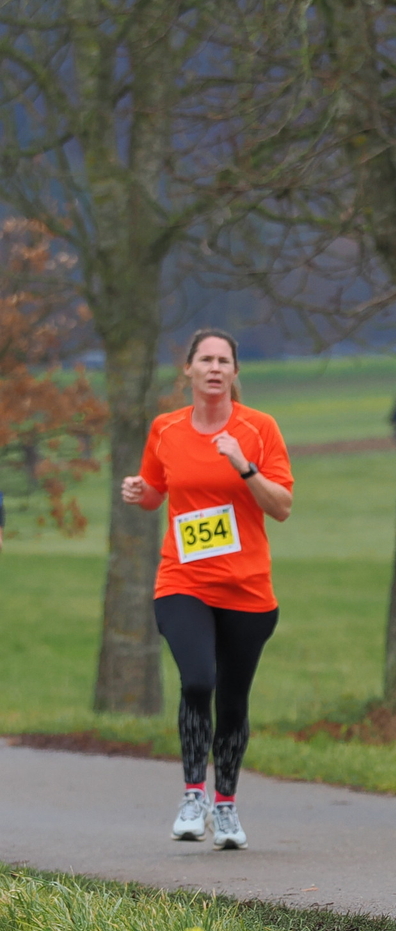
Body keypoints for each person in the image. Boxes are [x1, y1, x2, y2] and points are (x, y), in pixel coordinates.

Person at [119, 329, 294, 849]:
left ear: (235, 372)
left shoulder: (259, 429)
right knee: (198, 681)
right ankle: (193, 795)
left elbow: (281, 507)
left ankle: (226, 804)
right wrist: (139, 491)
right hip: (183, 580)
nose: (215, 368)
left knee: (233, 701)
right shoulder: (165, 429)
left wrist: (244, 465)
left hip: (246, 588)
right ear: (189, 370)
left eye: (224, 361)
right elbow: (155, 493)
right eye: (206, 359)